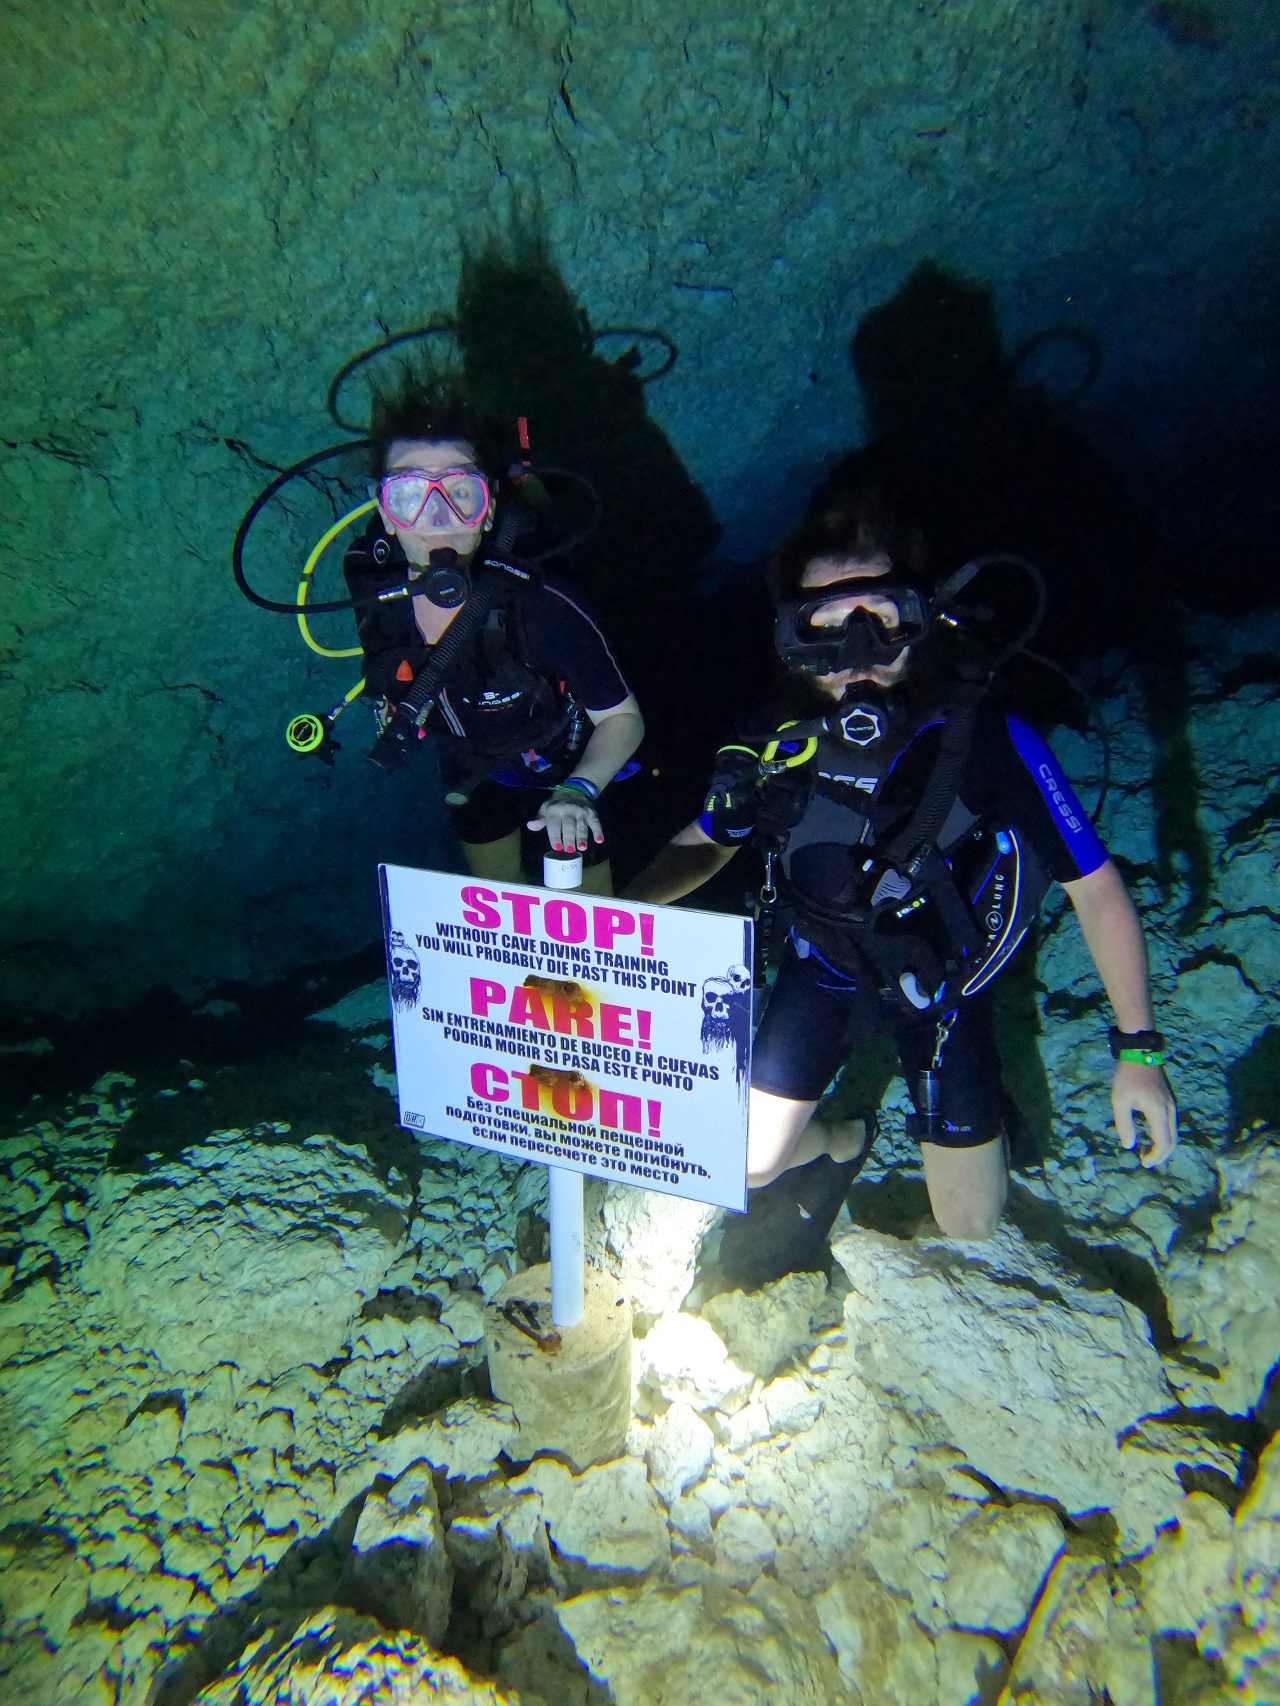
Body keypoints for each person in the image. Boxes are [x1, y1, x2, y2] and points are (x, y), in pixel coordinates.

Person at [626, 493, 1178, 1259]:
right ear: (792, 637)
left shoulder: (988, 738)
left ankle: (966, 1099)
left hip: (943, 982)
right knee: (743, 1163)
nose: (858, 648)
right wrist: (609, 915)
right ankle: (844, 1140)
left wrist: (1139, 1052)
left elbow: (1096, 886)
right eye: (827, 622)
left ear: (923, 618)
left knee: (971, 1221)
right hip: (823, 969)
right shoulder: (770, 741)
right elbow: (708, 841)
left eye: (881, 616)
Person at [346, 374, 643, 891]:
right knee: (494, 898)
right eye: (410, 493)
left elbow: (622, 718)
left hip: (565, 756)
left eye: (461, 492)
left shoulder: (543, 602)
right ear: (386, 515)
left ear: (487, 513)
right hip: (472, 765)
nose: (437, 515)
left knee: (588, 912)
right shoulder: (374, 587)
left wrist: (580, 790)